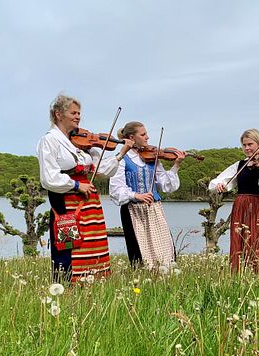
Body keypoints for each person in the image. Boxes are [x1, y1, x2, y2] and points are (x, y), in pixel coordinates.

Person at [37, 94, 133, 283]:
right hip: (66, 202)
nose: (78, 116)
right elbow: (48, 177)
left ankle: (92, 285)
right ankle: (66, 287)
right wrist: (76, 184)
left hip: (90, 203)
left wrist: (121, 153)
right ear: (58, 114)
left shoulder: (83, 144)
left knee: (93, 244)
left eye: (79, 113)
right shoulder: (50, 140)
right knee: (69, 247)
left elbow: (102, 170)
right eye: (73, 112)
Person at [109, 121, 185, 269]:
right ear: (132, 137)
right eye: (143, 134)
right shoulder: (122, 159)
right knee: (140, 254)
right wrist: (136, 195)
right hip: (133, 210)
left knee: (164, 250)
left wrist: (176, 165)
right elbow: (116, 189)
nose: (147, 138)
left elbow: (164, 184)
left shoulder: (152, 157)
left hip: (154, 209)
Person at [209, 129, 259, 272]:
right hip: (241, 206)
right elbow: (217, 182)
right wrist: (219, 185)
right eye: (244, 145)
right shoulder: (239, 165)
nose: (247, 148)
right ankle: (239, 275)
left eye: (250, 144)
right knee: (240, 241)